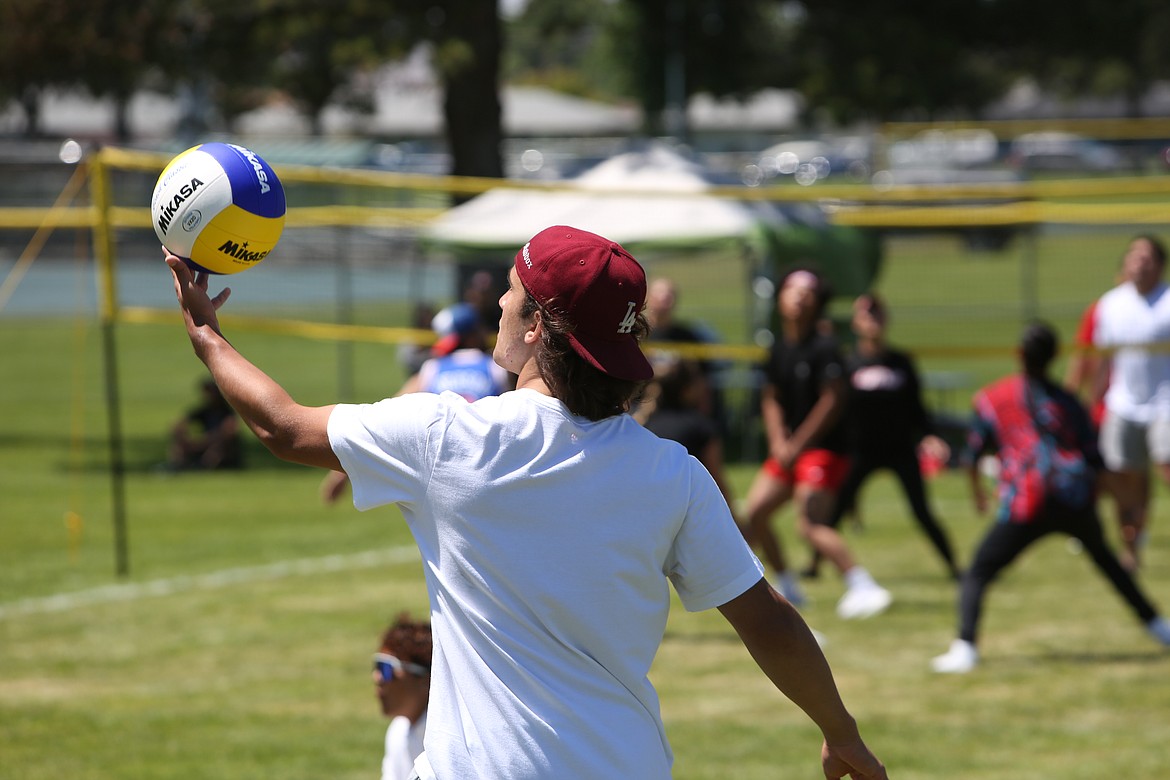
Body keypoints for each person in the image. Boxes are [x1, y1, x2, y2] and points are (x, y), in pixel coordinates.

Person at [163, 225, 887, 780]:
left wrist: (205, 336)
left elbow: (282, 427)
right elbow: (768, 620)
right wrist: (840, 730)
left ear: (536, 324)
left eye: (512, 290)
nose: (501, 302)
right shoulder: (672, 474)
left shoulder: (450, 437)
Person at [931, 322, 1170, 674]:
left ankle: (965, 646)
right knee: (1108, 564)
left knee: (979, 572)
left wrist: (979, 494)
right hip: (1073, 498)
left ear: (1019, 355)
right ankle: (1157, 626)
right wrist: (1125, 503)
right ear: (1055, 356)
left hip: (1026, 501)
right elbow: (1096, 460)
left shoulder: (993, 398)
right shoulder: (1069, 402)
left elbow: (972, 453)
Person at [741, 267, 893, 619]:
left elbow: (832, 401)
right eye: (792, 287)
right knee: (756, 513)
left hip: (824, 449)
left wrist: (798, 444)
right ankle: (788, 585)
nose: (798, 295)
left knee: (809, 523)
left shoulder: (825, 347)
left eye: (807, 290)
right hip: (790, 449)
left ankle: (863, 585)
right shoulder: (779, 347)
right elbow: (771, 397)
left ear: (818, 301)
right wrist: (780, 440)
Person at [809, 293, 960, 581]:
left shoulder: (901, 362)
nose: (873, 321)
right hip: (860, 452)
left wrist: (931, 436)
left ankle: (954, 567)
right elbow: (835, 410)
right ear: (855, 323)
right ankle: (815, 565)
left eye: (877, 314)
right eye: (866, 315)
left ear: (886, 320)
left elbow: (918, 409)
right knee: (837, 509)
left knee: (922, 512)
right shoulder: (847, 364)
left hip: (899, 450)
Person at [322, 301, 512, 504]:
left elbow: (382, 420)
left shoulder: (432, 369)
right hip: (490, 472)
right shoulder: (496, 369)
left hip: (441, 475)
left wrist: (341, 473)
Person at [1091, 234, 1170, 571]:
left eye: (1147, 257)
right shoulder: (1110, 304)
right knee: (1125, 482)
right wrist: (1094, 402)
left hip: (1166, 403)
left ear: (1160, 265)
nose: (1140, 263)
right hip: (1122, 405)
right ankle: (1130, 549)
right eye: (1134, 257)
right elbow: (1103, 359)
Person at [640, 356, 738, 518]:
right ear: (687, 390)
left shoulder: (645, 423)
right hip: (687, 513)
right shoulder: (701, 427)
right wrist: (735, 520)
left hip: (648, 513)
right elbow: (716, 480)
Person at [373, 613, 432, 780]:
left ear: (425, 679)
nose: (377, 677)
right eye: (377, 665)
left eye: (386, 668)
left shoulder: (451, 737)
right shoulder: (398, 731)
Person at [165, 376, 242, 470]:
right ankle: (179, 466)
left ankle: (204, 467)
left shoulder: (227, 412)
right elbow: (180, 423)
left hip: (223, 449)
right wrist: (183, 437)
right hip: (205, 443)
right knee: (179, 446)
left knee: (217, 448)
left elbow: (228, 433)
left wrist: (202, 442)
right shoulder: (205, 411)